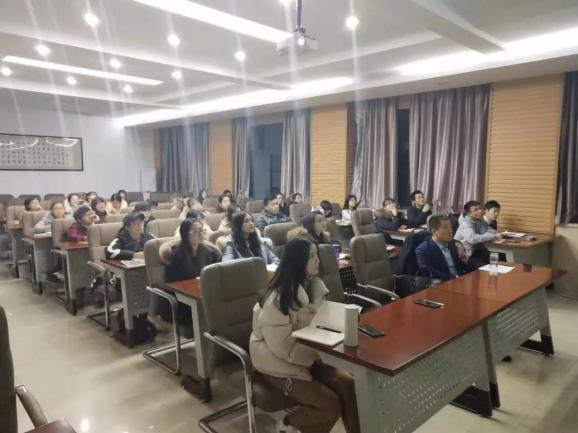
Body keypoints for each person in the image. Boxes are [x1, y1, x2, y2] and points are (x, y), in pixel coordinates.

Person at [250, 238, 360, 433]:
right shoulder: (278, 298)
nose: (317, 260)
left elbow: (317, 326)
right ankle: (288, 423)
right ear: (297, 261)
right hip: (279, 365)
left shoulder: (313, 286)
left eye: (317, 254)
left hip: (308, 357)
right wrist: (322, 354)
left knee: (349, 386)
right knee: (330, 404)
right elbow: (283, 348)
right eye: (311, 256)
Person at [415, 215, 469, 281]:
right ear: (434, 231)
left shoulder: (452, 244)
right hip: (443, 282)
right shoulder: (423, 250)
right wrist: (454, 278)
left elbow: (461, 265)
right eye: (445, 228)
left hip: (460, 279)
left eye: (450, 227)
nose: (450, 231)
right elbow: (430, 272)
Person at [455, 200, 502, 268]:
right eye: (476, 210)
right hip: (467, 255)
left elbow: (486, 230)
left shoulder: (479, 219)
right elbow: (472, 239)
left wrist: (494, 235)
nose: (480, 211)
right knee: (486, 267)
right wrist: (493, 236)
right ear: (468, 213)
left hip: (477, 251)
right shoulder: (465, 223)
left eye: (480, 208)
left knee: (499, 259)